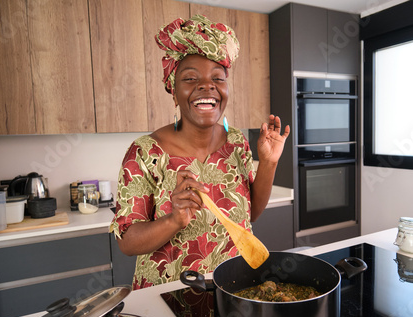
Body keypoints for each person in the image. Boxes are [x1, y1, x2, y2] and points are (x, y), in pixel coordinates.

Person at [110, 14, 290, 289]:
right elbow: (127, 241)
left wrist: (268, 163)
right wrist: (174, 219)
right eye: (190, 78)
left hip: (233, 289)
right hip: (169, 296)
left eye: (218, 78)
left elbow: (249, 215)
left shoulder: (236, 142)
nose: (207, 86)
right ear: (174, 91)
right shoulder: (144, 153)